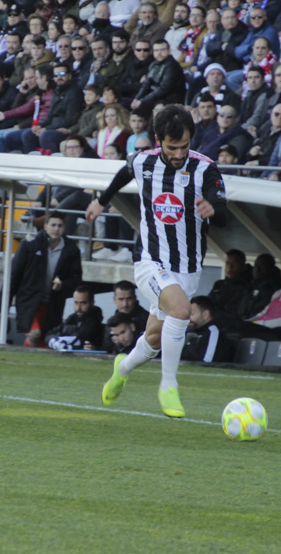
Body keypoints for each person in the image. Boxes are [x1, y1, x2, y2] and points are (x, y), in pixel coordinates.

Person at [86, 104, 229, 418]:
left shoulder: (205, 168)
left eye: (184, 146)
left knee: (154, 338)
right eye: (171, 147)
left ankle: (122, 368)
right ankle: (169, 385)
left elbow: (223, 209)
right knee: (181, 311)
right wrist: (101, 201)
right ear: (157, 140)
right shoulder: (143, 161)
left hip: (188, 267)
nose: (179, 154)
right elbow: (124, 171)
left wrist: (213, 210)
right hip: (150, 260)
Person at [0, 211, 83, 347]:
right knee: (35, 334)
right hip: (30, 301)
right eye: (53, 225)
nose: (56, 229)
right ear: (45, 226)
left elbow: (76, 279)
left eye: (60, 226)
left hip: (53, 304)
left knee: (45, 341)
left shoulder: (71, 249)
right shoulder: (30, 245)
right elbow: (13, 276)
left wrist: (62, 285)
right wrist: (0, 308)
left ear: (64, 228)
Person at [46, 285, 106, 351]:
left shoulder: (94, 322)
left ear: (92, 303)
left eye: (83, 303)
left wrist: (56, 342)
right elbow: (49, 335)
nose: (78, 308)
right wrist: (57, 342)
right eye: (76, 303)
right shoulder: (71, 319)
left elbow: (78, 338)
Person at [183, 296, 233, 363]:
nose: (188, 319)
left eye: (192, 314)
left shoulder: (213, 332)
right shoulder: (195, 333)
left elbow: (206, 362)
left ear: (205, 314)